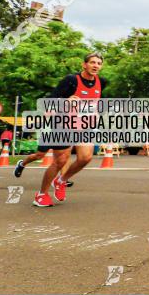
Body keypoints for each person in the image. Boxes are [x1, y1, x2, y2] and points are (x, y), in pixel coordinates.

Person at [33, 52, 107, 208]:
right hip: (64, 124)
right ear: (84, 64)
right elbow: (50, 100)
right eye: (92, 62)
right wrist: (66, 100)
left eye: (99, 63)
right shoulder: (71, 81)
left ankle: (61, 181)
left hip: (85, 125)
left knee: (85, 158)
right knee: (60, 161)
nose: (96, 65)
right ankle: (41, 195)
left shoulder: (102, 82)